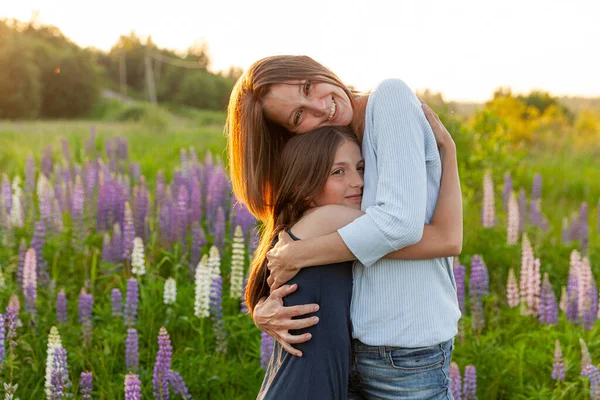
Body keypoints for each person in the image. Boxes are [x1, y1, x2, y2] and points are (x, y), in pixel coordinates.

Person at [227, 55, 462, 399]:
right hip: (349, 356)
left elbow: (404, 227)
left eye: (307, 88)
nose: (320, 107)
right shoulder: (334, 153)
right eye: (298, 115)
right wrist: (262, 307)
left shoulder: (390, 97)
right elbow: (286, 241)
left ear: (312, 67)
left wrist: (301, 254)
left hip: (404, 356)